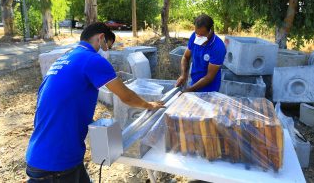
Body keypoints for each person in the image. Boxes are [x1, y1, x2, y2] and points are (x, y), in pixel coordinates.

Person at [25, 22, 164, 182]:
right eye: (107, 47)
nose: (105, 52)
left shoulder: (66, 58)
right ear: (101, 38)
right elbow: (125, 96)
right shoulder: (92, 59)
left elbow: (62, 101)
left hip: (45, 153)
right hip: (57, 163)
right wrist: (149, 105)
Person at [176, 14, 226, 92]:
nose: (198, 37)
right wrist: (183, 75)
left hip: (209, 89)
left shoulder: (218, 47)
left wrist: (190, 90)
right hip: (194, 82)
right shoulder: (194, 36)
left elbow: (209, 77)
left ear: (210, 31)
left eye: (202, 35)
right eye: (197, 33)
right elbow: (185, 57)